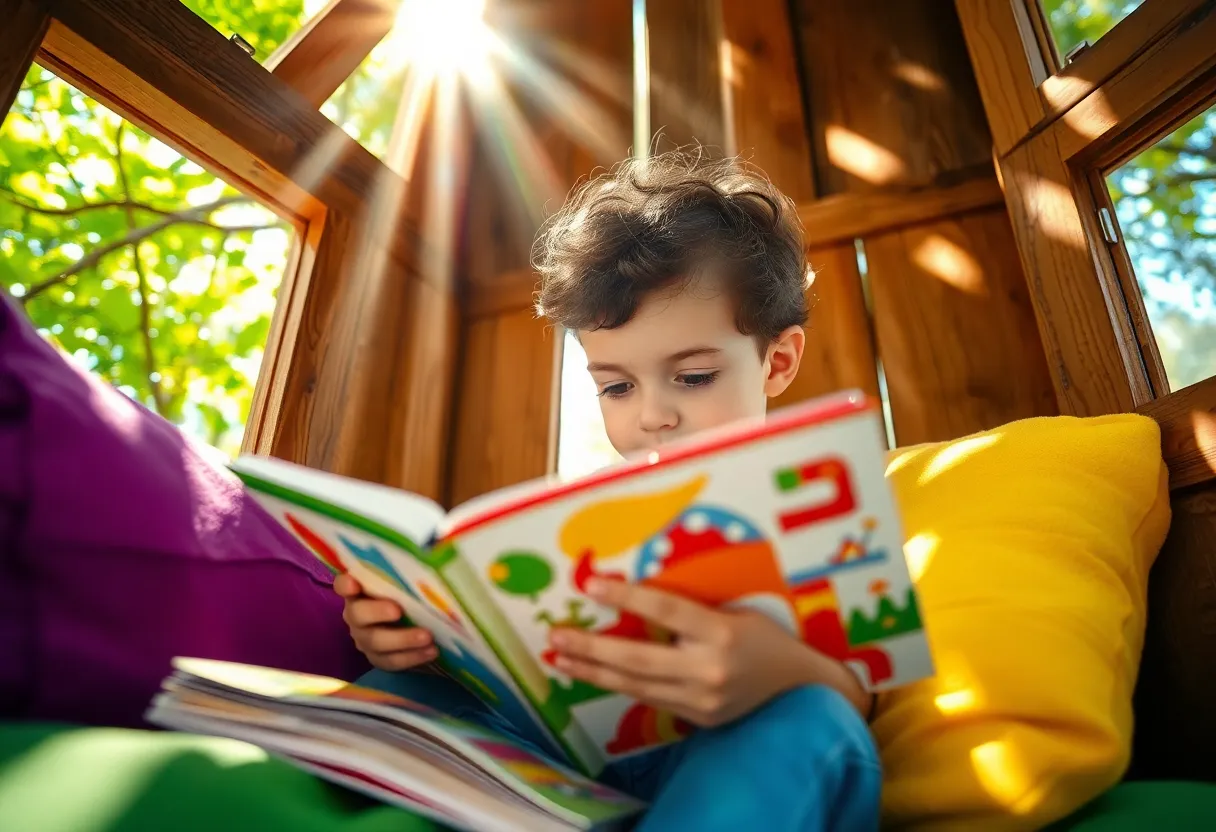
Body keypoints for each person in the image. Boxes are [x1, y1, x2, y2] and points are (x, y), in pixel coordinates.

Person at [335, 151, 882, 831]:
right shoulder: (584, 515)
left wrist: (788, 672)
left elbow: (859, 704)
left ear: (777, 361)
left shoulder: (828, 494)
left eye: (693, 377)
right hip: (576, 762)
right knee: (396, 693)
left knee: (808, 719)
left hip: (736, 761)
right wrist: (417, 642)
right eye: (617, 387)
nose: (651, 415)